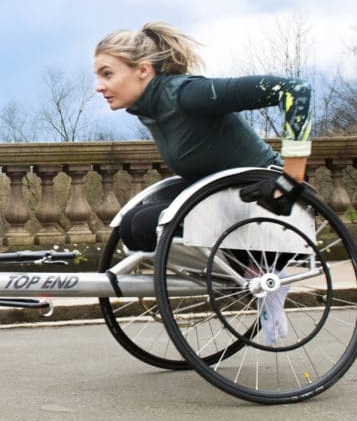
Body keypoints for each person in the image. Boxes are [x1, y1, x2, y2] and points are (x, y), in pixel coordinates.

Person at [93, 21, 313, 253]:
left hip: (266, 200)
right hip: (221, 195)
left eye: (107, 74)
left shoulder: (188, 94)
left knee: (144, 224)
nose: (99, 86)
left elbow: (295, 90)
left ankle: (253, 275)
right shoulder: (151, 109)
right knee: (131, 223)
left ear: (143, 70)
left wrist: (291, 177)